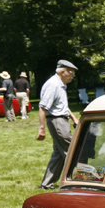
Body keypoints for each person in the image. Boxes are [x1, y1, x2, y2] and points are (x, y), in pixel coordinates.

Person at [36, 60, 80, 188]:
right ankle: (77, 182)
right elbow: (42, 107)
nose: (73, 76)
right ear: (62, 72)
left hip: (61, 119)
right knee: (71, 151)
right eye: (71, 73)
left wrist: (73, 117)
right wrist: (42, 128)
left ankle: (46, 184)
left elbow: (62, 105)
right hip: (57, 121)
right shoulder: (53, 85)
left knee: (58, 154)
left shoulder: (60, 84)